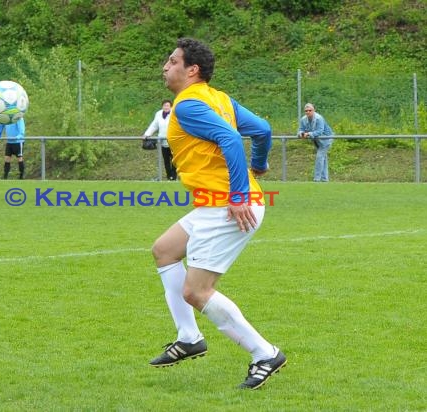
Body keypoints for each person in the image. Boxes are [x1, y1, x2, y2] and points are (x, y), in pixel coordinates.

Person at [149, 38, 286, 390]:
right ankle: (189, 336)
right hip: (216, 203)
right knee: (165, 250)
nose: (165, 67)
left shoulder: (188, 105)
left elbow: (228, 138)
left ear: (191, 70)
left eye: (172, 60)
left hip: (228, 206)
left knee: (196, 291)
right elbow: (263, 130)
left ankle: (264, 353)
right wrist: (259, 164)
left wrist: (240, 193)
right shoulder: (220, 98)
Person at [297, 103, 334, 182]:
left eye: (310, 110)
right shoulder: (303, 119)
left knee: (320, 157)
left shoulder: (319, 118)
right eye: (306, 111)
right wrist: (301, 134)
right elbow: (301, 129)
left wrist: (308, 134)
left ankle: (317, 179)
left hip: (326, 139)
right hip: (316, 140)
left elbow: (320, 131)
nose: (308, 112)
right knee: (323, 158)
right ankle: (325, 179)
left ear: (314, 110)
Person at [143, 99, 177, 180]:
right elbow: (154, 125)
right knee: (166, 161)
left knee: (174, 161)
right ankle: (169, 177)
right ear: (162, 106)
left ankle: (174, 177)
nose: (166, 107)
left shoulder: (174, 114)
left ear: (171, 106)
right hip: (162, 141)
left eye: (168, 105)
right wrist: (147, 134)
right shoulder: (158, 114)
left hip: (173, 142)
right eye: (165, 105)